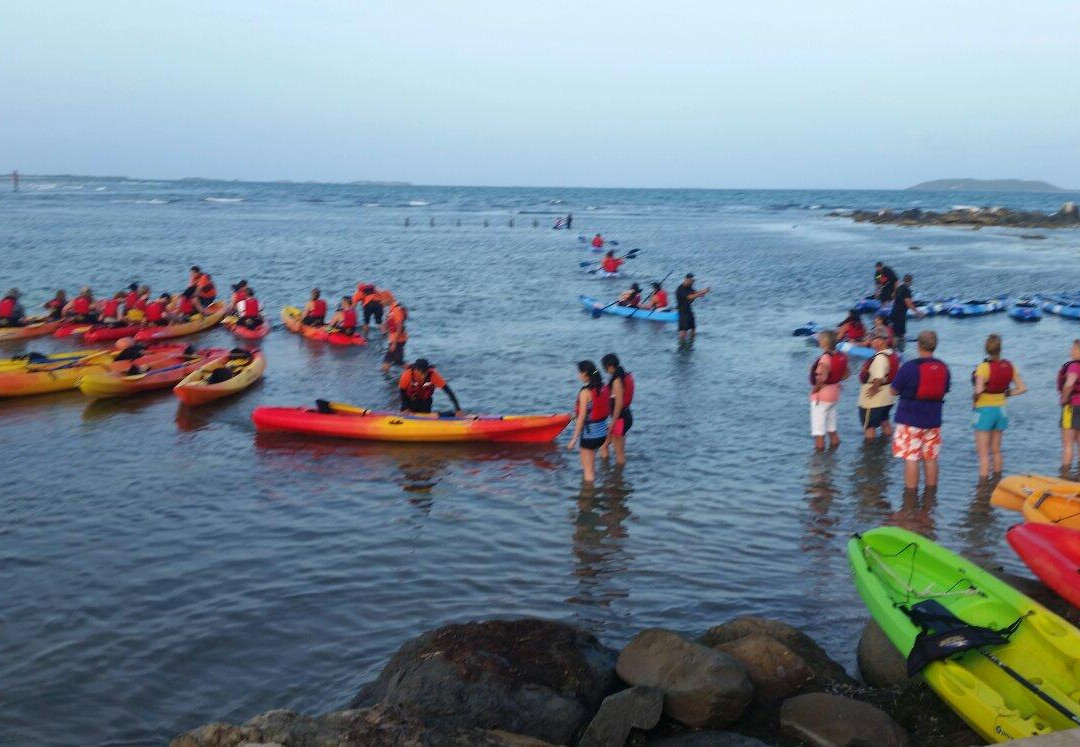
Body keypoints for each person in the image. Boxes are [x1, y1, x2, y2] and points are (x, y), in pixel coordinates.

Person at [890, 330, 950, 491]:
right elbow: (945, 389)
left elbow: (893, 391)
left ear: (918, 345)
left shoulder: (909, 367)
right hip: (933, 419)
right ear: (935, 346)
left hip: (910, 419)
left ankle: (910, 496)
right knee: (931, 458)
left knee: (912, 458)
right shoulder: (943, 367)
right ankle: (931, 495)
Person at [972, 333, 1026, 481]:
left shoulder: (983, 367)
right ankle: (997, 481)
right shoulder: (1010, 365)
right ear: (1000, 349)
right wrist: (1008, 393)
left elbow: (978, 391)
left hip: (984, 411)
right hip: (1001, 410)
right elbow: (1022, 388)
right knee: (996, 450)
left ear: (986, 349)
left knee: (983, 454)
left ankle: (983, 487)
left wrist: (974, 399)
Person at [566, 360, 610, 483]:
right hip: (602, 434)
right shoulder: (603, 387)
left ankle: (587, 498)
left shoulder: (585, 392)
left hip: (589, 436)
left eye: (579, 372)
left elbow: (582, 417)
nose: (578, 375)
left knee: (588, 472)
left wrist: (574, 439)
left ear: (585, 373)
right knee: (592, 467)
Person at [810, 330, 848, 450]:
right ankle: (833, 456)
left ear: (825, 343)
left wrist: (815, 389)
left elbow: (822, 376)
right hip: (834, 396)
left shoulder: (825, 358)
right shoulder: (839, 356)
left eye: (820, 339)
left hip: (822, 398)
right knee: (832, 430)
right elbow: (847, 373)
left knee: (819, 433)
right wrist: (836, 380)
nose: (819, 341)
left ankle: (819, 464)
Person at [858, 329, 899, 440]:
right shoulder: (892, 354)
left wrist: (873, 389)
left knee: (869, 426)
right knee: (884, 421)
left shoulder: (880, 358)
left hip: (875, 400)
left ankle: (870, 452)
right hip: (888, 398)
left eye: (872, 339)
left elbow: (879, 377)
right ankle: (888, 443)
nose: (870, 341)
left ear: (880, 341)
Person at [599, 353, 634, 466]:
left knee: (619, 454)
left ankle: (618, 479)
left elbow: (618, 404)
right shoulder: (624, 375)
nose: (604, 369)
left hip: (620, 419)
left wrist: (612, 422)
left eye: (604, 367)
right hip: (625, 416)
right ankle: (608, 473)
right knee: (604, 445)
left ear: (609, 366)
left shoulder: (616, 381)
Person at [1058, 341, 1080, 472]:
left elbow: (1069, 384)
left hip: (1072, 406)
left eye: (1073, 348)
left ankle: (1065, 476)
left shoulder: (1074, 366)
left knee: (1068, 445)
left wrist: (1064, 399)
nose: (1070, 350)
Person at [675, 274, 710, 343]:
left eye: (693, 281)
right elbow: (690, 297)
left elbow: (694, 292)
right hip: (682, 311)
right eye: (691, 280)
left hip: (689, 309)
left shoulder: (689, 287)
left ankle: (691, 344)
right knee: (683, 331)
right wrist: (701, 293)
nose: (692, 282)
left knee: (693, 328)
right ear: (686, 279)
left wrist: (703, 292)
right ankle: (682, 344)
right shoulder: (680, 289)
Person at [381, 299, 408, 373]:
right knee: (386, 363)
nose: (381, 302)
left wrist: (394, 343)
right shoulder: (390, 310)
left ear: (387, 299)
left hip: (398, 341)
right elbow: (389, 325)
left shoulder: (396, 310)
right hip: (392, 340)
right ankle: (386, 382)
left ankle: (414, 373)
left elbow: (399, 327)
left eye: (382, 300)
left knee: (399, 362)